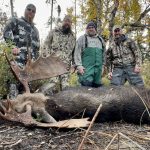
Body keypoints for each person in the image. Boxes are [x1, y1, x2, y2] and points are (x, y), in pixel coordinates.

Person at [3, 4, 40, 98]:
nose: (30, 12)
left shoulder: (35, 30)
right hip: (17, 63)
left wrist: (36, 63)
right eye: (29, 9)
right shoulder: (16, 21)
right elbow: (6, 30)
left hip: (29, 67)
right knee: (13, 90)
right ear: (25, 10)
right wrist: (12, 47)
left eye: (33, 11)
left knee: (26, 94)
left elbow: (37, 48)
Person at [43, 15, 75, 92]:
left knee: (66, 89)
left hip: (65, 67)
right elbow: (46, 45)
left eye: (69, 21)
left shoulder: (73, 36)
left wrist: (74, 65)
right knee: (51, 87)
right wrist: (47, 58)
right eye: (66, 21)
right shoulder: (54, 31)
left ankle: (63, 104)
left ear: (71, 23)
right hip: (54, 65)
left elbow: (74, 52)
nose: (67, 23)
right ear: (63, 21)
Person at [74, 21, 105, 87]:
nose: (91, 29)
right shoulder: (82, 39)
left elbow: (103, 54)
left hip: (98, 72)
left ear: (95, 29)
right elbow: (77, 53)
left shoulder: (100, 40)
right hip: (86, 71)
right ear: (86, 29)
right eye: (89, 27)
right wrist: (79, 65)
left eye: (92, 27)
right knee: (86, 89)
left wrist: (103, 66)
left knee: (98, 91)